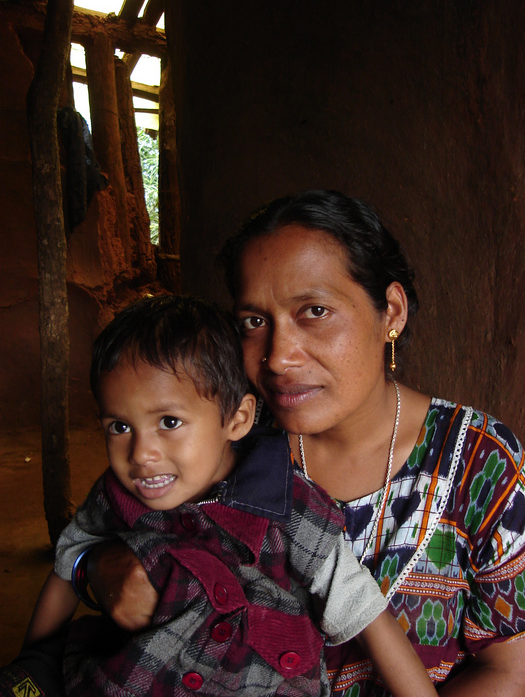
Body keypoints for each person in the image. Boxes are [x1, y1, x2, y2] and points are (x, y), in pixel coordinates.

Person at [80, 190, 525, 695]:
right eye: (254, 321)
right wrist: (93, 566)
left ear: (391, 312)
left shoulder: (482, 464)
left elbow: (510, 670)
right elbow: (107, 524)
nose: (279, 357)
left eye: (314, 310)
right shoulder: (225, 439)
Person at [20, 294, 436, 697]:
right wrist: (33, 664)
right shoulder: (115, 495)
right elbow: (67, 561)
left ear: (237, 419)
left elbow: (363, 612)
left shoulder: (290, 508)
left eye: (168, 421)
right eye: (119, 427)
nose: (141, 455)